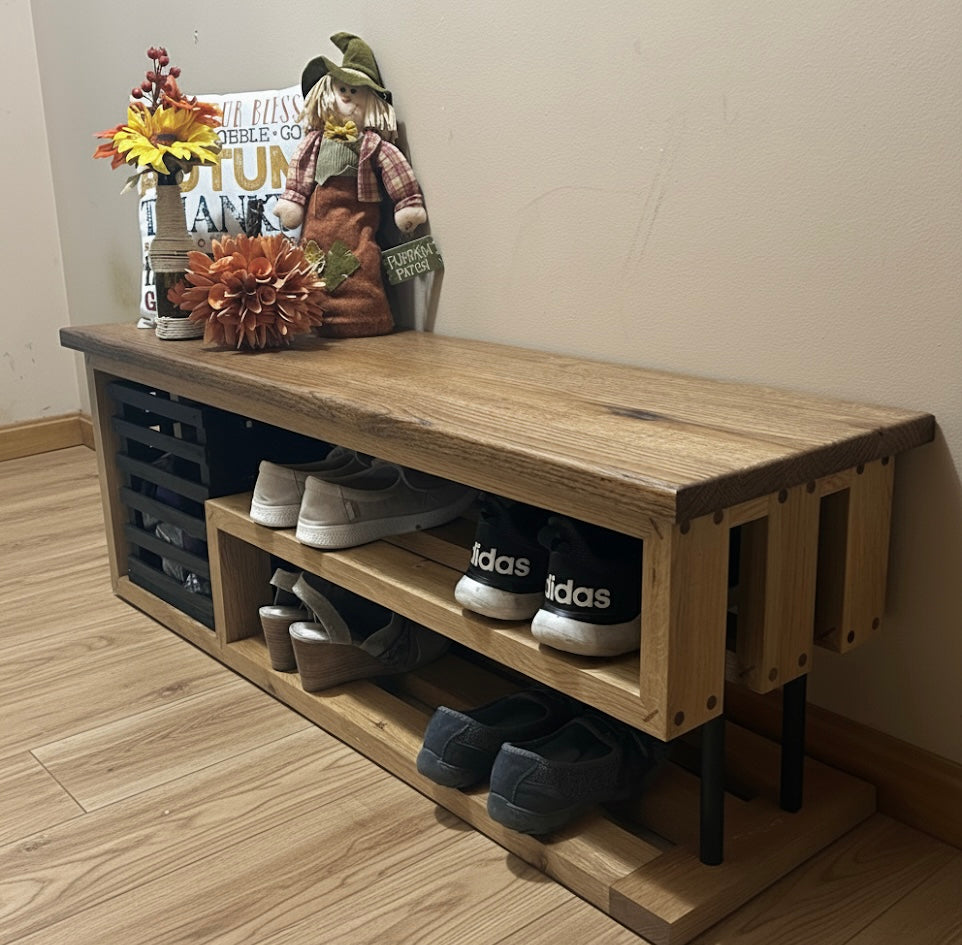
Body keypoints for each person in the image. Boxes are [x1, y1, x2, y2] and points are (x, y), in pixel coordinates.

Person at [273, 33, 427, 337]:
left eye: (355, 91)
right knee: (312, 263)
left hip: (357, 223)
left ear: (370, 100)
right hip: (317, 224)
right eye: (341, 88)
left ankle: (365, 316)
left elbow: (397, 170)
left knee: (362, 262)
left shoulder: (372, 144)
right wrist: (293, 202)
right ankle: (314, 314)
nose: (346, 96)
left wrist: (407, 204)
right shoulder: (314, 142)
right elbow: (300, 174)